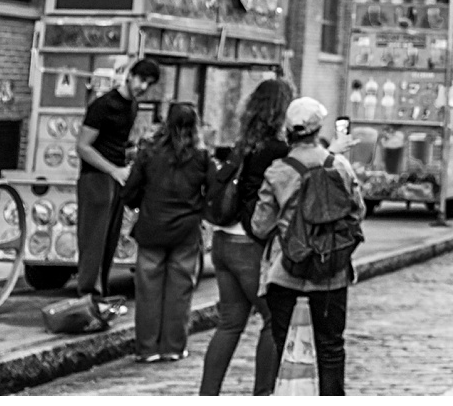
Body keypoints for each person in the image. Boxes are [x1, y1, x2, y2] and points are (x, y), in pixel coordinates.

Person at [251, 97, 366, 395]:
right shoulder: (338, 165)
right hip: (331, 270)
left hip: (286, 270)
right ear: (318, 130)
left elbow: (260, 225)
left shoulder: (278, 171)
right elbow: (358, 212)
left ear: (289, 131)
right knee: (331, 347)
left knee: (282, 342)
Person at [199, 77, 294, 395]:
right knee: (273, 319)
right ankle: (263, 395)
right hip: (249, 245)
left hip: (223, 240)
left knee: (229, 323)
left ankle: (207, 395)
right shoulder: (278, 151)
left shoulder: (242, 146)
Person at [120, 101, 210, 363]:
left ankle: (146, 348)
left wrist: (140, 205)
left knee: (148, 292)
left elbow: (130, 190)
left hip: (152, 227)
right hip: (186, 231)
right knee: (180, 292)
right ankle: (173, 346)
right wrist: (199, 210)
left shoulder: (148, 152)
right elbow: (213, 192)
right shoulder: (201, 157)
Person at [74, 57, 161, 301]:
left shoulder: (132, 106)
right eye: (141, 80)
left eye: (149, 83)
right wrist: (114, 169)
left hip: (117, 177)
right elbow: (82, 146)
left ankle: (100, 295)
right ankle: (88, 295)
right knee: (93, 240)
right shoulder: (103, 105)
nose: (143, 87)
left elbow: (117, 142)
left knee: (109, 240)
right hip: (96, 178)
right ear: (130, 75)